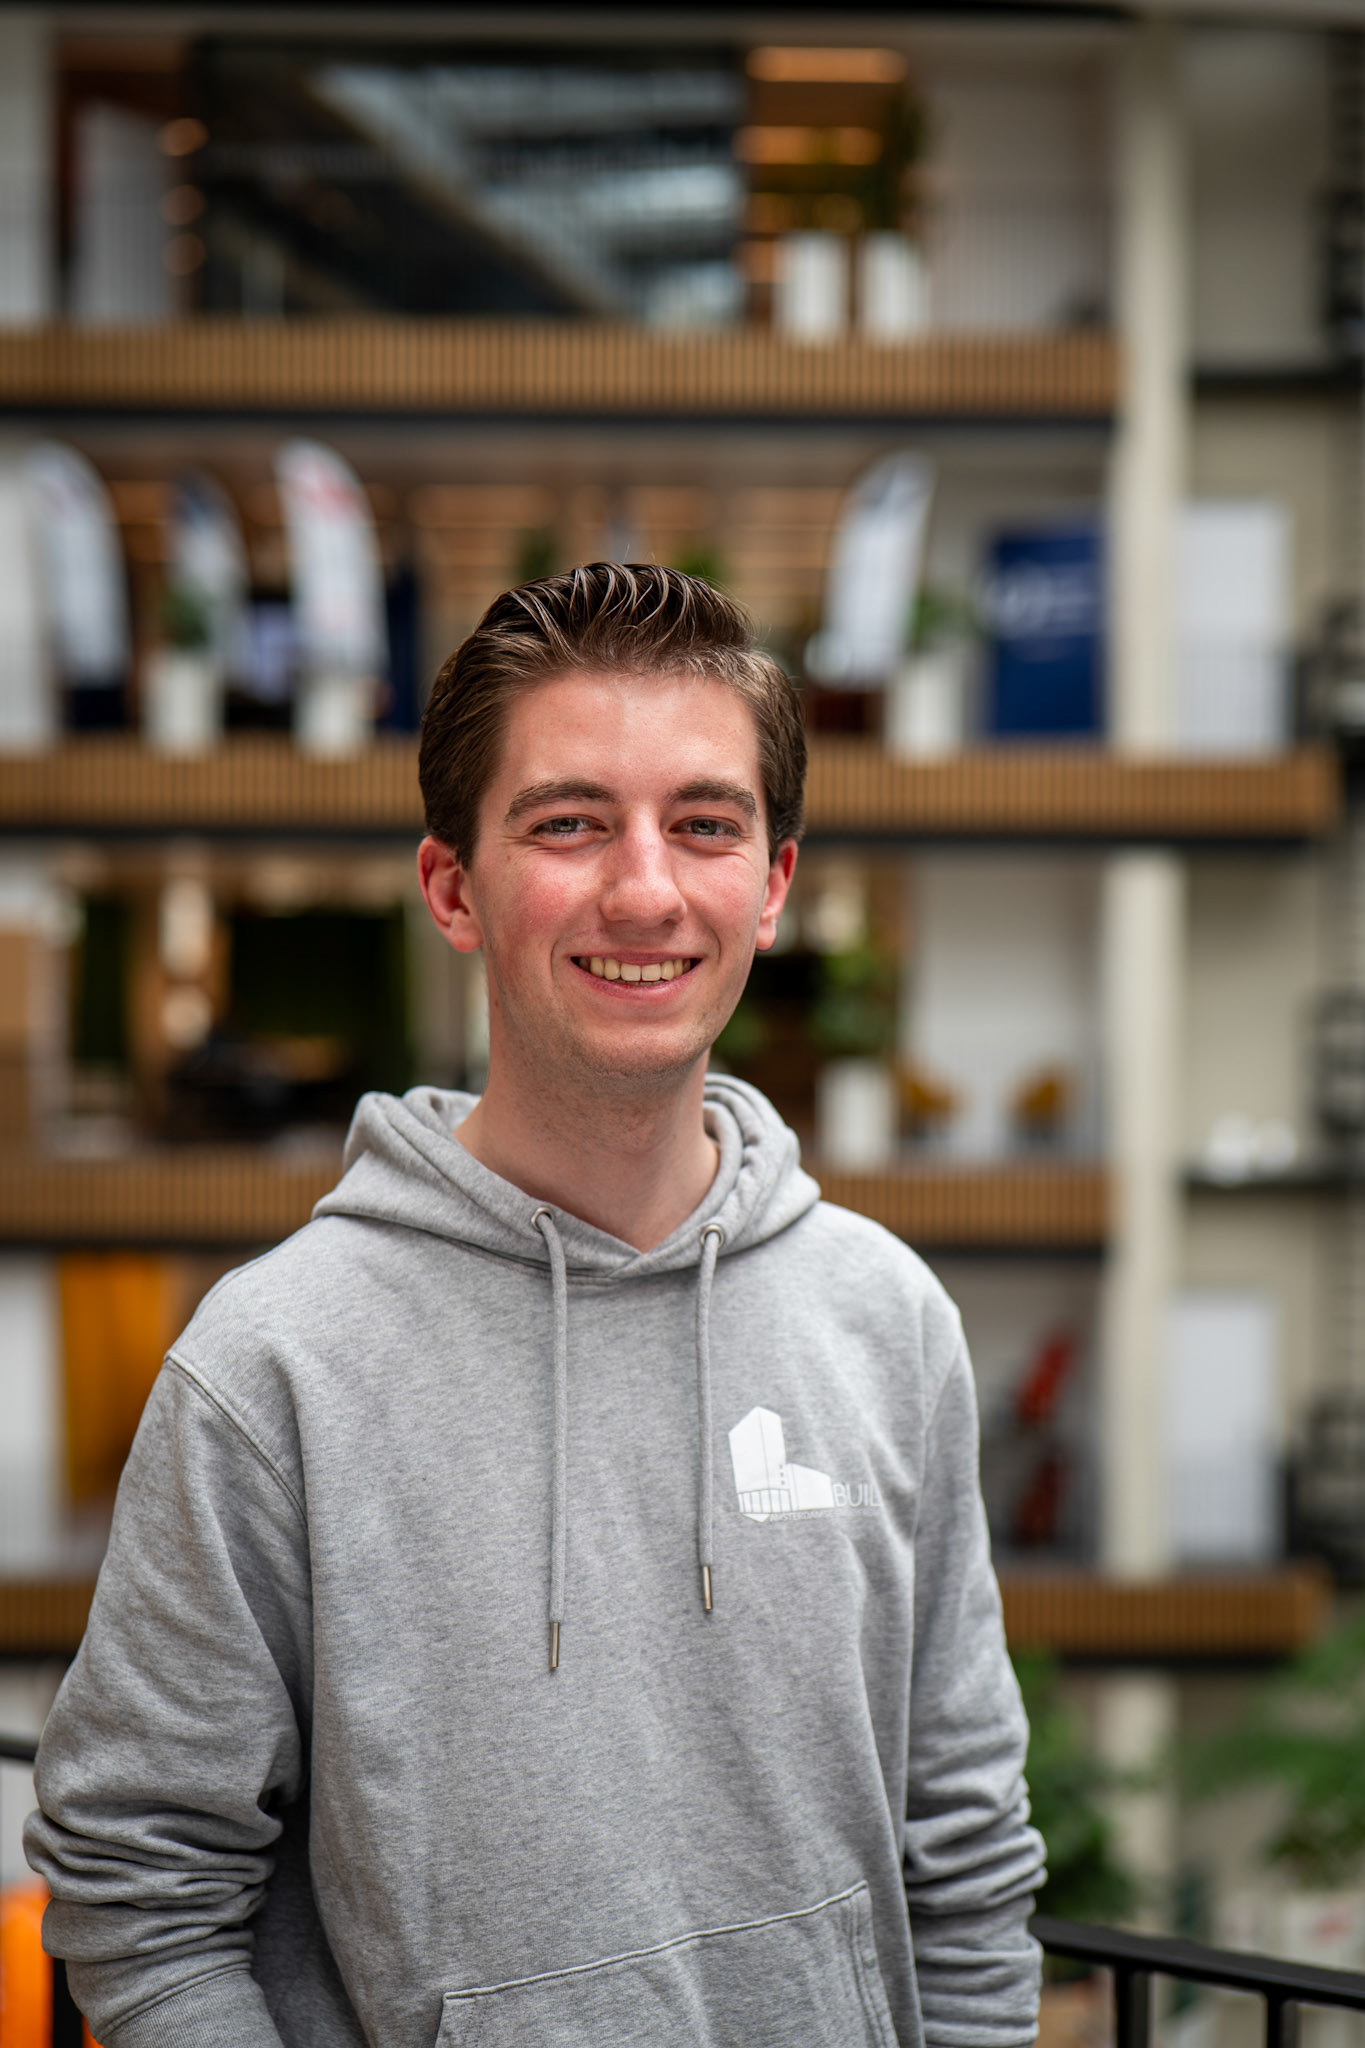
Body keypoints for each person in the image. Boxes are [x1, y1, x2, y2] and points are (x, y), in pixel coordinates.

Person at [27, 564, 1044, 2048]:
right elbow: (140, 1887)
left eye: (704, 825)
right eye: (569, 823)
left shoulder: (885, 1320)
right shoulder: (274, 1365)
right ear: (454, 889)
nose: (645, 890)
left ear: (771, 886)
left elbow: (965, 1854)